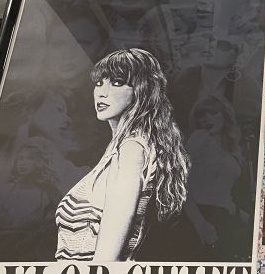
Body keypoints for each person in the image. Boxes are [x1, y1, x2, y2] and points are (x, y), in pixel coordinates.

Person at [55, 48, 189, 262]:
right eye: (99, 83)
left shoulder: (131, 150)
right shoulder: (120, 148)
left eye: (117, 82)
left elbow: (106, 260)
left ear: (142, 91)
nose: (102, 92)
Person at [184, 95, 250, 258]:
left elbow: (221, 192)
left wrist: (241, 214)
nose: (206, 118)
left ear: (225, 116)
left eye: (213, 112)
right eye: (201, 114)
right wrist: (200, 224)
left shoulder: (233, 150)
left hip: (225, 218)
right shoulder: (199, 138)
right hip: (199, 215)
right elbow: (181, 186)